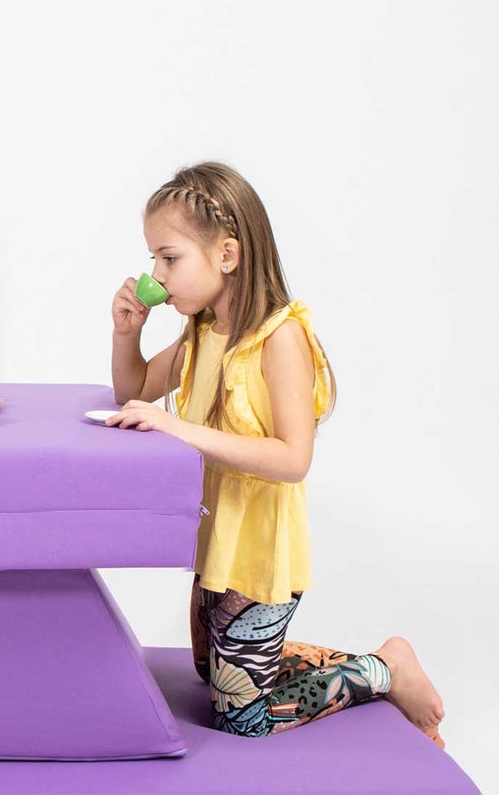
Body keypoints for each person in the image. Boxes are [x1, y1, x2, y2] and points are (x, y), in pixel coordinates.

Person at [108, 161, 445, 744]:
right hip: (217, 540)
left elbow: (293, 459)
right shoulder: (202, 330)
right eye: (153, 259)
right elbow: (133, 390)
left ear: (227, 255)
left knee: (242, 718)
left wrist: (180, 431)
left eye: (169, 258)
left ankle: (385, 669)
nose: (156, 275)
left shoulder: (280, 337)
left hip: (258, 551)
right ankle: (319, 663)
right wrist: (126, 332)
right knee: (208, 673)